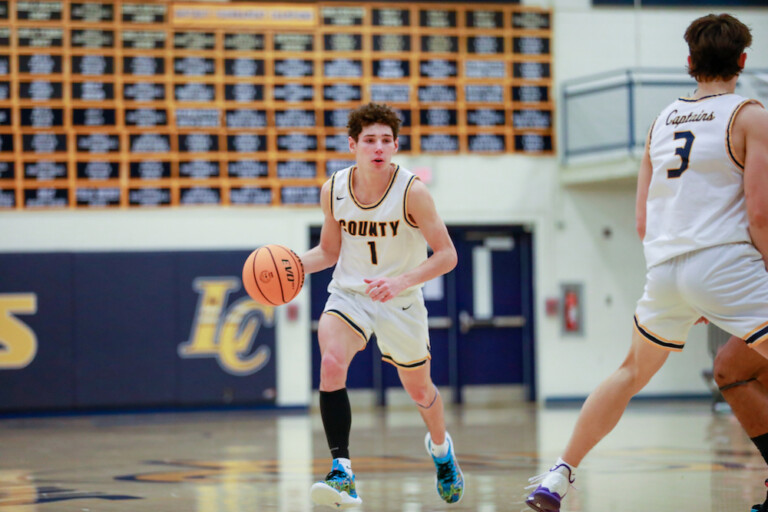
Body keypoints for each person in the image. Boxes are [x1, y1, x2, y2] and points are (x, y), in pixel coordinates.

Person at [526, 13, 768, 512]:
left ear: (689, 63)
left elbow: (641, 219)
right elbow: (761, 215)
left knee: (629, 373)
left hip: (665, 268)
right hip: (726, 263)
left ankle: (558, 475)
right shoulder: (751, 116)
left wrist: (685, 289)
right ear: (742, 61)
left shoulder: (662, 121)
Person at [299, 102, 464, 508]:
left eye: (386, 141)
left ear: (395, 145)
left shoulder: (413, 192)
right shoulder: (333, 189)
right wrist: (290, 265)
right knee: (331, 363)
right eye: (369, 140)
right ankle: (342, 472)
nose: (378, 148)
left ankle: (442, 452)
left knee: (419, 389)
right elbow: (328, 252)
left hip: (400, 299)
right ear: (352, 144)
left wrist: (401, 281)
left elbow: (447, 255)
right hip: (350, 294)